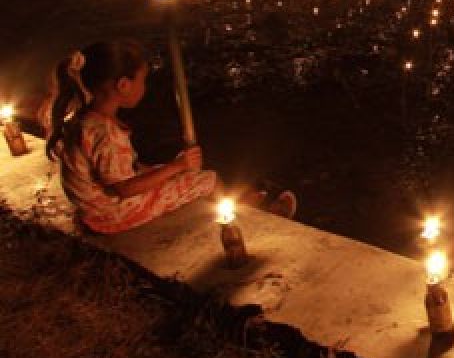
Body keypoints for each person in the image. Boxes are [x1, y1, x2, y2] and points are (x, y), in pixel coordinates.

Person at [44, 39, 295, 234]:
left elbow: (119, 173)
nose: (145, 88)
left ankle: (239, 202)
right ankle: (246, 211)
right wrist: (179, 165)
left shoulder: (83, 118)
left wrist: (170, 169)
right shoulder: (104, 133)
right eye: (142, 81)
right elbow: (125, 188)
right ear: (123, 85)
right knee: (206, 179)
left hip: (94, 208)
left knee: (175, 173)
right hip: (111, 214)